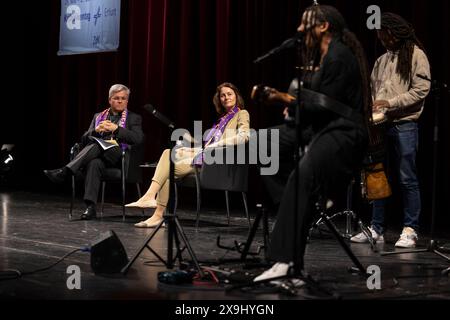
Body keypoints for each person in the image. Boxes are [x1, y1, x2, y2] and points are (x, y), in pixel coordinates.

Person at [254, 4, 370, 284]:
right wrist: (292, 107)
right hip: (323, 129)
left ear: (323, 26)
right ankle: (300, 202)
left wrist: (285, 100)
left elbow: (327, 108)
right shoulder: (324, 57)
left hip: (344, 134)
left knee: (301, 178)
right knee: (266, 143)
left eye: (304, 23)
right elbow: (315, 105)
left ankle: (287, 260)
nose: (298, 29)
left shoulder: (339, 56)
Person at [350, 12, 431, 248]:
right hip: (380, 125)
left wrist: (390, 103)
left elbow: (420, 90)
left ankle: (410, 230)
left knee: (407, 178)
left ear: (395, 33)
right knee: (377, 175)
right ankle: (376, 229)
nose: (382, 40)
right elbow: (374, 92)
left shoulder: (417, 55)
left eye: (384, 35)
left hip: (405, 123)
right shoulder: (381, 60)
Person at [126, 82, 250, 228]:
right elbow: (206, 148)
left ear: (236, 96)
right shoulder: (222, 120)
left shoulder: (242, 113)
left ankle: (151, 201)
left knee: (168, 166)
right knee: (169, 158)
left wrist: (214, 145)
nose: (226, 97)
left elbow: (244, 136)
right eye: (223, 95)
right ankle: (157, 214)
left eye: (229, 94)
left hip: (219, 164)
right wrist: (190, 150)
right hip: (208, 158)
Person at [44, 84, 144, 220]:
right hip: (100, 156)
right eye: (116, 98)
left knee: (98, 146)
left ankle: (65, 171)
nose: (120, 101)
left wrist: (117, 129)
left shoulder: (134, 118)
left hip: (120, 156)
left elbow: (138, 139)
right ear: (110, 100)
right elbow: (84, 140)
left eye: (123, 98)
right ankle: (90, 207)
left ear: (127, 101)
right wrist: (95, 131)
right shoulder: (98, 116)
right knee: (94, 163)